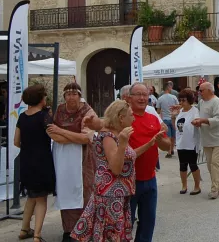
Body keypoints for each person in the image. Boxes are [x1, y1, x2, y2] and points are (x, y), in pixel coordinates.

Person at [71, 100, 145, 242]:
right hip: (110, 195)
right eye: (131, 115)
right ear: (121, 118)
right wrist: (123, 143)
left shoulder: (116, 133)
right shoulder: (109, 136)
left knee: (114, 234)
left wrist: (151, 143)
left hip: (118, 193)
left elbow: (129, 156)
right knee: (110, 235)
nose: (134, 118)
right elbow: (116, 169)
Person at [47, 83, 103, 242]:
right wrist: (70, 137)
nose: (71, 97)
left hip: (83, 158)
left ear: (79, 96)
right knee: (65, 191)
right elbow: (52, 133)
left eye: (74, 94)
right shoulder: (59, 110)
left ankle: (85, 229)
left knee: (84, 193)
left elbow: (86, 138)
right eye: (68, 94)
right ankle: (69, 229)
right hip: (63, 157)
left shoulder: (87, 111)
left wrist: (61, 132)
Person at [128, 83, 171, 242]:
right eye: (138, 94)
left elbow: (167, 146)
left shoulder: (153, 118)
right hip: (128, 181)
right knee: (126, 224)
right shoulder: (124, 119)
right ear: (129, 97)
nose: (141, 98)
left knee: (147, 224)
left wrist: (160, 141)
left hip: (150, 180)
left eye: (144, 95)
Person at [14, 85, 56, 242]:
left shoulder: (22, 117)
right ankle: (37, 234)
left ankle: (24, 229)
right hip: (41, 161)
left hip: (26, 160)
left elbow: (16, 141)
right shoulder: (43, 116)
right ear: (41, 99)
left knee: (31, 196)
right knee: (41, 200)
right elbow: (54, 134)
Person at [192, 82, 219, 200]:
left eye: (202, 90)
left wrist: (202, 121)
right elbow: (196, 111)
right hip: (207, 137)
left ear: (209, 90)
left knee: (215, 163)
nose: (200, 92)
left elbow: (218, 119)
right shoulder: (201, 102)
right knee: (210, 165)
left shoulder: (217, 102)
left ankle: (214, 189)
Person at [171, 88, 202, 195]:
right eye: (180, 100)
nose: (181, 102)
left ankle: (197, 186)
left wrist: (196, 122)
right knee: (182, 165)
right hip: (181, 142)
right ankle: (184, 185)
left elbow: (198, 121)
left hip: (191, 142)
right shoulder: (180, 111)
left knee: (193, 165)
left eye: (183, 100)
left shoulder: (194, 111)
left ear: (189, 100)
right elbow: (175, 126)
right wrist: (173, 116)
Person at [156, 82, 179, 159]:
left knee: (168, 136)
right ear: (169, 88)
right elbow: (178, 107)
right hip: (173, 118)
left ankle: (169, 152)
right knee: (173, 136)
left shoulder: (160, 98)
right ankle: (172, 149)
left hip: (165, 119)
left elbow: (158, 111)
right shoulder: (174, 97)